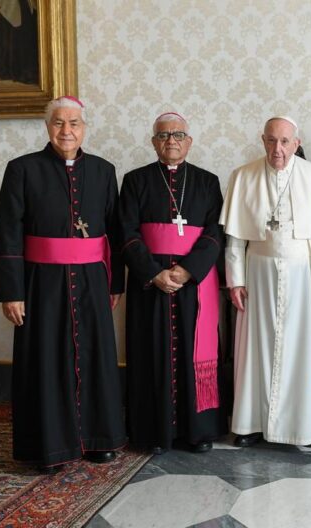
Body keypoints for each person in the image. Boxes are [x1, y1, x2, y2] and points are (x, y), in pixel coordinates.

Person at [0, 96, 125, 473]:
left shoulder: (103, 170)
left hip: (92, 281)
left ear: (84, 128)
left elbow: (114, 232)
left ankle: (98, 439)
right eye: (58, 123)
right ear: (47, 127)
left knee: (96, 356)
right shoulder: (22, 169)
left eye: (74, 123)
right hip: (41, 282)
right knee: (45, 360)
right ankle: (48, 447)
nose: (67, 131)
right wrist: (11, 292)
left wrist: (115, 282)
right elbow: (7, 232)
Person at [220, 116, 311, 448]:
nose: (277, 149)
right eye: (271, 141)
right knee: (257, 347)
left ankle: (305, 425)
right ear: (262, 140)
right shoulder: (243, 176)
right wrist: (235, 281)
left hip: (307, 274)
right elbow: (235, 239)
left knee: (302, 348)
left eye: (284, 141)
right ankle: (251, 424)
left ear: (297, 142)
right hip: (258, 274)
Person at [119, 112, 227, 454]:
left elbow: (216, 232)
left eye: (178, 135)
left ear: (189, 141)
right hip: (150, 284)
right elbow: (126, 232)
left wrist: (187, 270)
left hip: (194, 284)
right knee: (150, 352)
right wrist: (154, 273)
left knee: (195, 353)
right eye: (163, 135)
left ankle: (199, 431)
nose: (171, 141)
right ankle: (153, 432)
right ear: (154, 142)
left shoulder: (208, 182)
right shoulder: (135, 181)